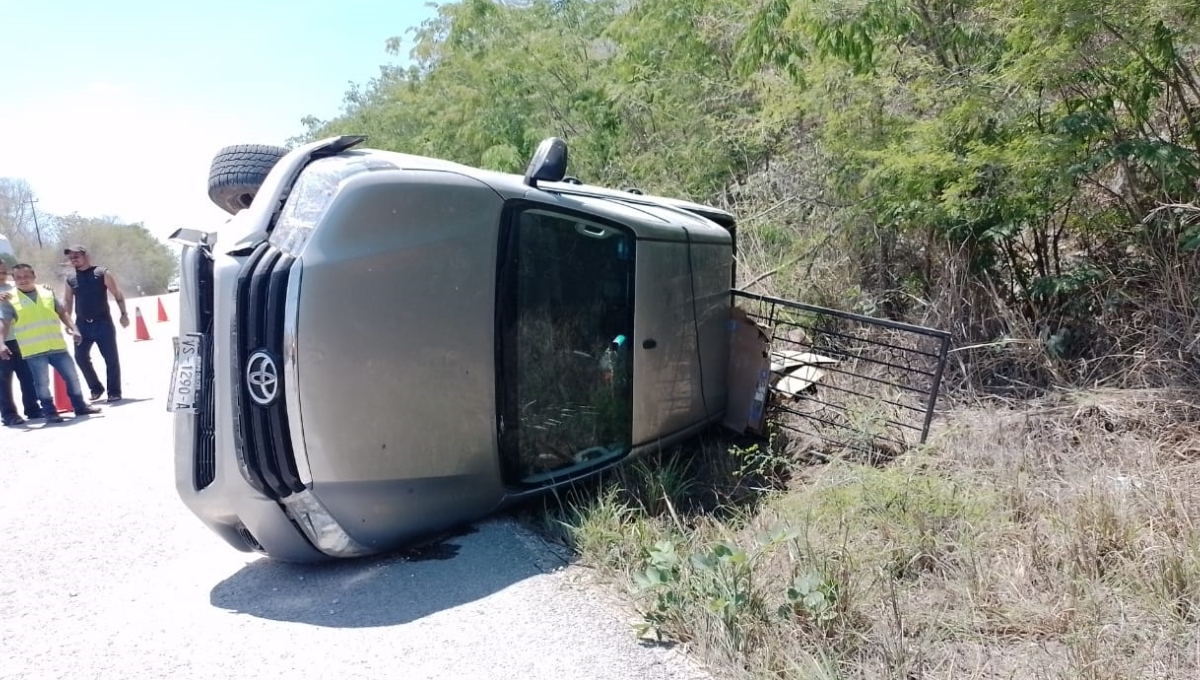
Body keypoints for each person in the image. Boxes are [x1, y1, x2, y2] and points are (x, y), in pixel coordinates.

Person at [5, 263, 102, 423]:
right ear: (13, 279)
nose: (23, 280)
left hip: (57, 346)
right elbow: (5, 323)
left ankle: (80, 406)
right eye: (18, 277)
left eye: (26, 276)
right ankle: (50, 412)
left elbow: (62, 312)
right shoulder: (10, 299)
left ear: (34, 276)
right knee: (41, 384)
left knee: (72, 377)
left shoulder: (47, 292)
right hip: (34, 350)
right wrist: (1, 343)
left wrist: (73, 328)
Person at [62, 244, 128, 403]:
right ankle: (95, 388)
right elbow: (68, 301)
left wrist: (123, 314)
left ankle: (114, 392)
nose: (73, 260)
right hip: (82, 325)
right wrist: (68, 322)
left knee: (111, 359)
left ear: (86, 256)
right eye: (71, 258)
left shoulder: (101, 273)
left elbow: (117, 294)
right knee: (80, 357)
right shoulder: (70, 279)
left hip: (103, 323)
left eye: (76, 256)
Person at [0, 260, 44, 426]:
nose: (2, 276)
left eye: (4, 273)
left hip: (21, 339)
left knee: (27, 377)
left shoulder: (14, 287)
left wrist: (46, 288)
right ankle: (9, 414)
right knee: (3, 381)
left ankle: (33, 409)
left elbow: (35, 290)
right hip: (2, 341)